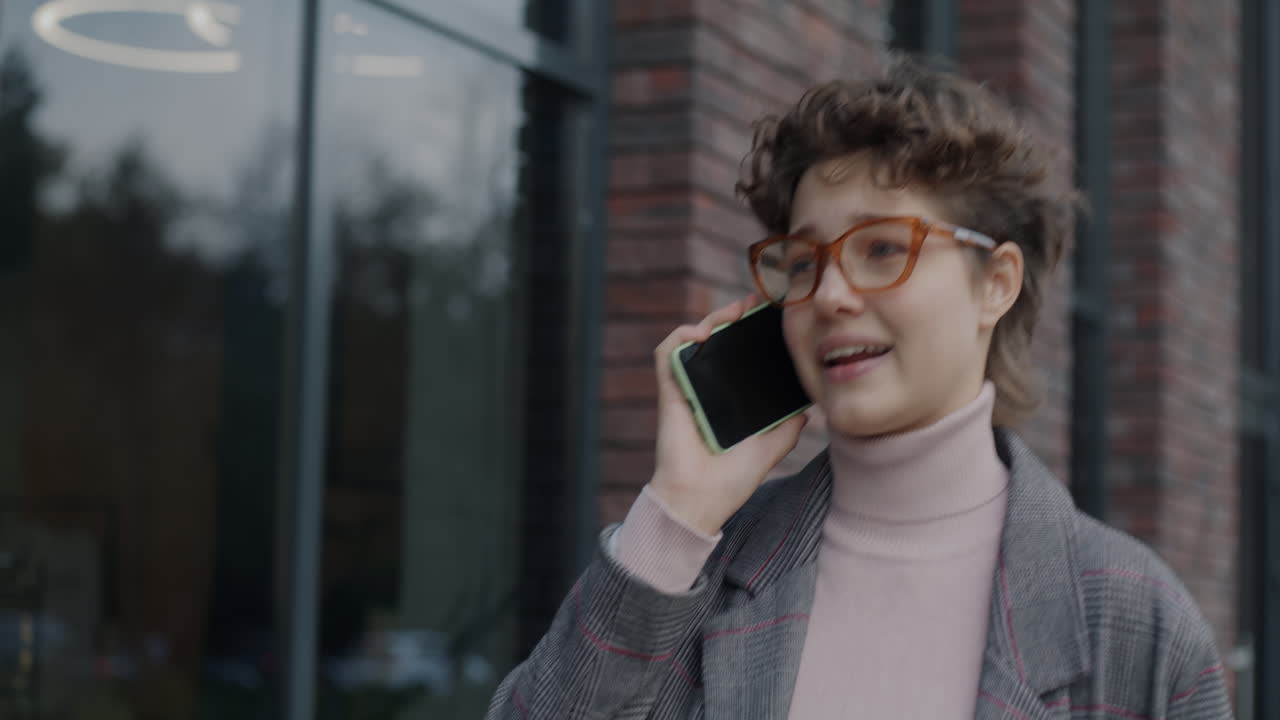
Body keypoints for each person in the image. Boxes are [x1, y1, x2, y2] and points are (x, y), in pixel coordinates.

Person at [486, 56, 1233, 719]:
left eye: (882, 249)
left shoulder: (1138, 623)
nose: (832, 295)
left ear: (996, 284)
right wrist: (677, 512)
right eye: (805, 263)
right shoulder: (693, 573)